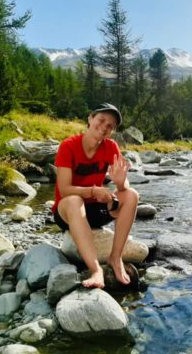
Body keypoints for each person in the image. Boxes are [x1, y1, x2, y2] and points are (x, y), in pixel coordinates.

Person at [52, 103, 139, 289]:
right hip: (67, 211)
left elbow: (124, 186)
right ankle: (96, 270)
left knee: (131, 195)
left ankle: (115, 258)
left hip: (94, 210)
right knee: (75, 200)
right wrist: (93, 191)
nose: (104, 127)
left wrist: (121, 182)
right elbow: (64, 189)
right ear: (90, 118)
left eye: (110, 126)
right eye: (101, 120)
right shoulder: (68, 146)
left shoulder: (110, 147)